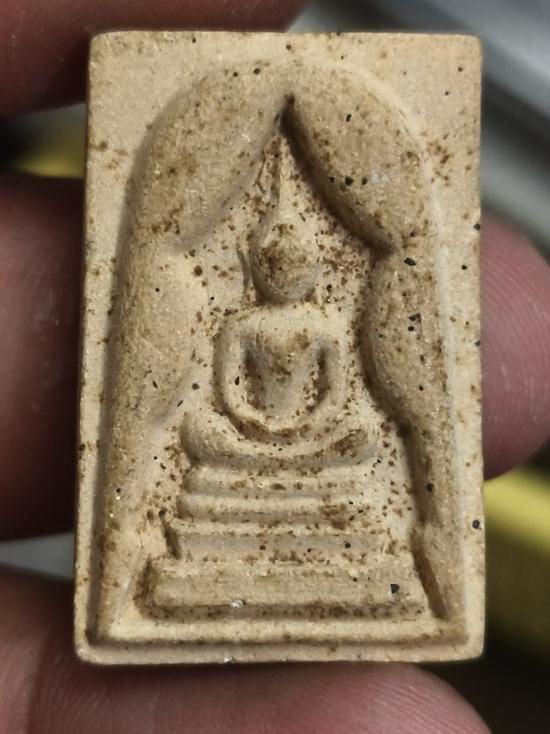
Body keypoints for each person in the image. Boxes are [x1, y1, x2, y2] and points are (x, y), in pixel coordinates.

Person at [0, 2, 549, 732]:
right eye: (275, 262)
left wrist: (306, 431)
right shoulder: (243, 323)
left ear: (313, 268)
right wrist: (255, 426)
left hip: (315, 448)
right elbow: (226, 391)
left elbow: (336, 395)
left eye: (297, 263)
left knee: (359, 440)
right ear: (257, 265)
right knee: (202, 437)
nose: (286, 271)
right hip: (244, 445)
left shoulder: (322, 324)